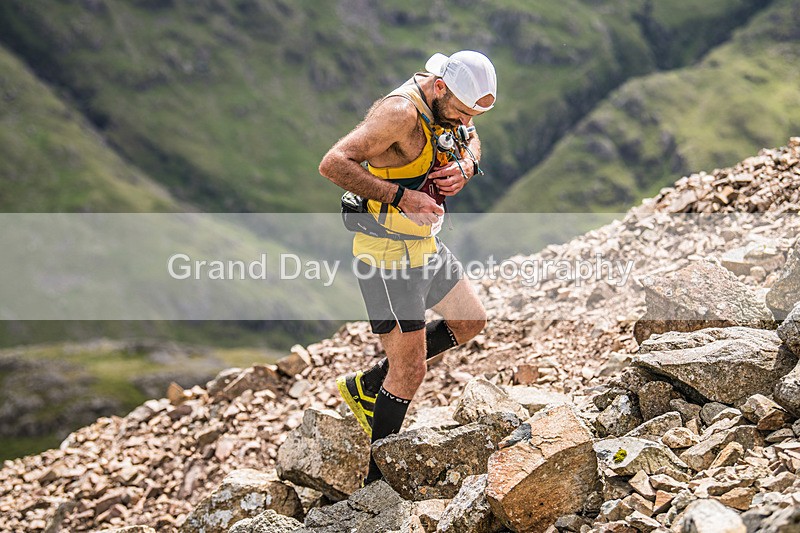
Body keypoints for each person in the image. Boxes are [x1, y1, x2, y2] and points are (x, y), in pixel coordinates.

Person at [318, 50, 496, 485]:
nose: (464, 122)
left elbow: (470, 133)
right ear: (440, 87)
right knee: (411, 370)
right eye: (460, 112)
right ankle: (376, 487)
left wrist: (467, 164)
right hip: (387, 256)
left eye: (470, 115)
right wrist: (402, 198)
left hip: (424, 246)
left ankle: (368, 386)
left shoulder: (451, 103)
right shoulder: (399, 115)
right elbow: (333, 163)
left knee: (470, 320)